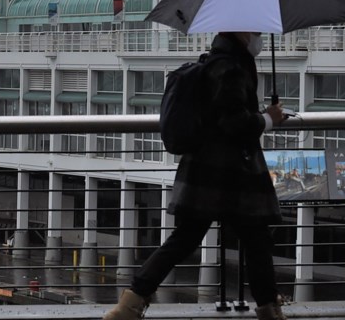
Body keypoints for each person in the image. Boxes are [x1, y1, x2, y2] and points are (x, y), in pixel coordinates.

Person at [102, 31, 289, 320]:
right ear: (240, 32)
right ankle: (269, 309)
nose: (259, 38)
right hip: (231, 173)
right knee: (256, 240)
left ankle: (130, 304)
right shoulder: (230, 67)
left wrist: (260, 115)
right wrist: (268, 119)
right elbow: (233, 122)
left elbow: (221, 115)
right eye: (256, 32)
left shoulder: (217, 61)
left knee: (186, 238)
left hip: (204, 171)